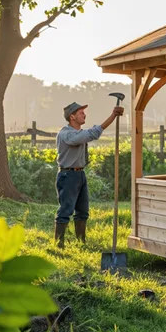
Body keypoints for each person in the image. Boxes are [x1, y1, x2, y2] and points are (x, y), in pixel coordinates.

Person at [54, 100, 124, 248]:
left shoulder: (78, 132)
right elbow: (91, 134)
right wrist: (112, 116)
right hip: (68, 176)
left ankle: (81, 242)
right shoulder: (66, 134)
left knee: (83, 210)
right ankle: (58, 244)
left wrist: (113, 116)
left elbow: (89, 134)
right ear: (72, 117)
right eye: (80, 113)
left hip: (80, 175)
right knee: (66, 210)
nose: (84, 114)